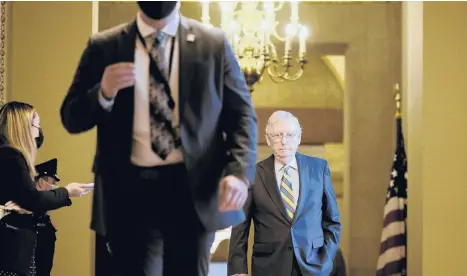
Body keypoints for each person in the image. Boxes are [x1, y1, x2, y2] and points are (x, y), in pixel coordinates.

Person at [60, 1, 257, 276]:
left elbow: (242, 116)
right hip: (129, 190)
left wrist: (238, 173)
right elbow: (71, 116)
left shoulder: (212, 44)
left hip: (193, 189)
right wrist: (103, 92)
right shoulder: (104, 46)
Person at [228, 111, 341, 276]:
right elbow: (240, 226)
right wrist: (238, 270)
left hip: (313, 267)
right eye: (277, 135)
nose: (284, 141)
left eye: (290, 135)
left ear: (299, 139)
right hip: (268, 266)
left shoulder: (319, 168)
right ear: (268, 139)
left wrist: (326, 258)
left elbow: (333, 221)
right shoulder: (253, 174)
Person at [0, 101, 93, 276]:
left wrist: (24, 205)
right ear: (23, 126)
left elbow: (25, 199)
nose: (39, 132)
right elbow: (34, 199)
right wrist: (67, 191)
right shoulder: (11, 155)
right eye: (37, 125)